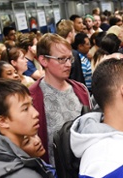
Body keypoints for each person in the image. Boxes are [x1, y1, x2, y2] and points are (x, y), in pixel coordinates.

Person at [29, 33, 91, 165]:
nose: (68, 64)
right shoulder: (32, 97)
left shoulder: (81, 90)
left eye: (70, 59)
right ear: (43, 60)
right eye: (62, 59)